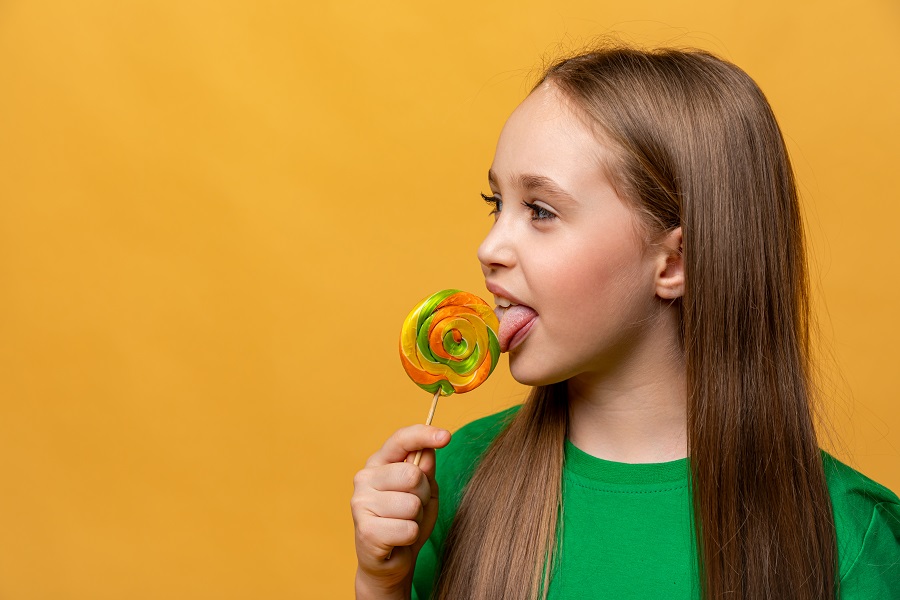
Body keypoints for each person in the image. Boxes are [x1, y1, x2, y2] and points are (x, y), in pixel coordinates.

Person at [350, 45, 900, 600]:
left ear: (675, 262)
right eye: (498, 203)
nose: (489, 247)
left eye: (540, 211)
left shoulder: (850, 537)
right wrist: (382, 582)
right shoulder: (457, 479)